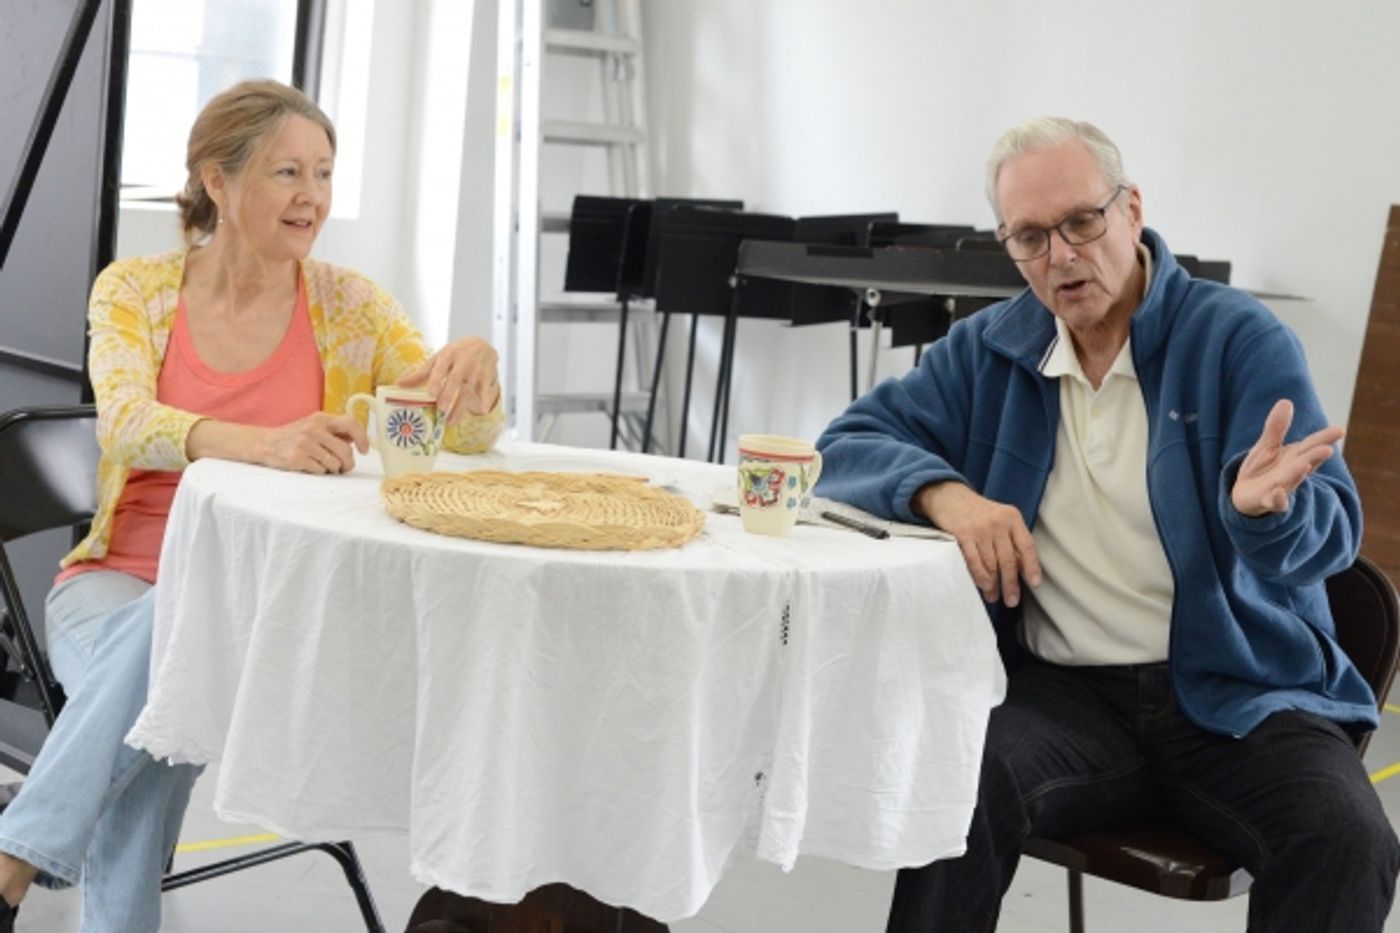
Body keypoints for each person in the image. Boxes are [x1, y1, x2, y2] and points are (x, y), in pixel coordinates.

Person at [815, 116, 1400, 933]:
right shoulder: (987, 352)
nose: (1060, 255)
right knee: (955, 781)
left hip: (1238, 691)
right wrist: (946, 495)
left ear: (1131, 209)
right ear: (1008, 245)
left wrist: (1264, 515)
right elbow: (842, 446)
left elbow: (1332, 529)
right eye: (1030, 236)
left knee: (1346, 839)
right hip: (1066, 698)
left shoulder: (1235, 338)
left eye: (1082, 222)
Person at [0, 79, 503, 932]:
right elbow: (125, 424)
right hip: (115, 588)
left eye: (324, 172)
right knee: (165, 710)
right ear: (218, 181)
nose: (312, 196)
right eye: (286, 172)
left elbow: (455, 432)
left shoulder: (352, 307)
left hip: (274, 609)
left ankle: (12, 858)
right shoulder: (136, 290)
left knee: (184, 653)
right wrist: (265, 442)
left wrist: (477, 370)